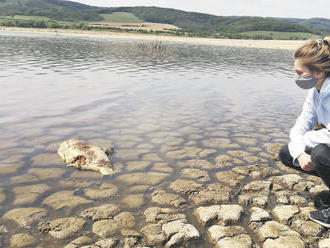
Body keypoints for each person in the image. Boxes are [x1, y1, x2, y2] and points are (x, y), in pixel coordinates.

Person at [279, 36, 330, 228]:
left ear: (318, 72)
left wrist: (305, 141)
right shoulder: (315, 91)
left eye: (299, 72)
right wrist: (299, 151)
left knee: (320, 153)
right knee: (287, 153)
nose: (296, 76)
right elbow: (301, 125)